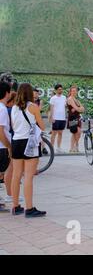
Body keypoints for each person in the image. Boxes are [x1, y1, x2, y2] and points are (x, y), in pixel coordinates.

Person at [11, 83, 46, 217]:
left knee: (16, 174)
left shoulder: (14, 108)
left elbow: (14, 126)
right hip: (29, 142)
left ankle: (15, 206)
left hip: (16, 141)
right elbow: (42, 126)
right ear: (30, 93)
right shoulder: (33, 107)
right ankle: (29, 208)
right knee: (28, 176)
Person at [0, 82, 12, 212]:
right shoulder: (2, 109)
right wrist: (8, 145)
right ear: (7, 93)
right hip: (1, 146)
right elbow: (0, 131)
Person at [49, 84, 67, 153]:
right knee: (54, 133)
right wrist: (52, 118)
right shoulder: (53, 98)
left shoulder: (64, 97)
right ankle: (51, 148)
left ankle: (59, 148)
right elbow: (51, 108)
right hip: (55, 118)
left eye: (61, 89)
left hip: (62, 118)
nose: (61, 90)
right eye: (59, 89)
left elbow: (64, 107)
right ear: (56, 90)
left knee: (60, 133)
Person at [67, 86, 84, 153]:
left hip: (78, 117)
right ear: (70, 92)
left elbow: (83, 109)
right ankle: (74, 146)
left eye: (75, 91)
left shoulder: (77, 100)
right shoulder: (70, 99)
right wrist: (78, 108)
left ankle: (73, 147)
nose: (74, 92)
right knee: (76, 132)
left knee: (77, 133)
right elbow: (77, 108)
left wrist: (78, 108)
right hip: (72, 118)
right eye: (73, 91)